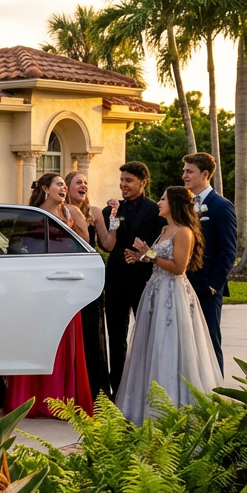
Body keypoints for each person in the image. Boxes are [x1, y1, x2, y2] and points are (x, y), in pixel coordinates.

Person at [115, 186, 225, 423]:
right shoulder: (165, 229)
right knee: (152, 344)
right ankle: (146, 407)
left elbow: (178, 267)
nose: (159, 202)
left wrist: (150, 254)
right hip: (155, 289)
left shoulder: (184, 232)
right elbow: (158, 259)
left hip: (172, 295)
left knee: (170, 344)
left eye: (163, 198)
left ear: (174, 203)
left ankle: (175, 407)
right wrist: (141, 257)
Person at [4, 173, 94, 418]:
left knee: (64, 339)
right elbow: (13, 249)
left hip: (65, 285)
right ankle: (29, 400)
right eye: (59, 184)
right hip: (36, 287)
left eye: (65, 185)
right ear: (45, 188)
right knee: (36, 339)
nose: (64, 188)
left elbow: (86, 244)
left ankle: (62, 401)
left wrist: (69, 230)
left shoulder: (72, 213)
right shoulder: (30, 215)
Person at [91, 162, 165, 394]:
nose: (123, 184)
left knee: (145, 334)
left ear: (143, 182)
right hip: (115, 280)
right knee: (116, 336)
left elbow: (160, 247)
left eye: (128, 180)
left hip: (143, 281)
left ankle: (145, 387)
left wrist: (143, 255)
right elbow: (106, 245)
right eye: (122, 180)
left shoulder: (157, 211)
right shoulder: (110, 210)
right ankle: (118, 388)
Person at [182, 153, 237, 371]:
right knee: (189, 343)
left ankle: (215, 394)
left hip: (207, 287)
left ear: (205, 174)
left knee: (210, 342)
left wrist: (215, 285)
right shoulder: (185, 205)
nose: (184, 175)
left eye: (189, 171)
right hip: (184, 284)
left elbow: (228, 250)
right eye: (184, 170)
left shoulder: (221, 206)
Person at [65, 170, 112, 399]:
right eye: (78, 182)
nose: (83, 185)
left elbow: (108, 244)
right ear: (67, 187)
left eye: (85, 182)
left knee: (92, 332)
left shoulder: (94, 213)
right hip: (67, 278)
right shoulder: (60, 212)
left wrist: (115, 218)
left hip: (91, 277)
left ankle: (97, 392)